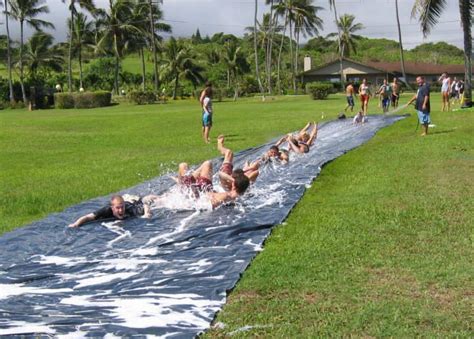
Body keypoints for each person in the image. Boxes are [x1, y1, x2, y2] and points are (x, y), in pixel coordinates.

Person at [68, 194, 152, 228]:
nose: (121, 210)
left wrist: (147, 214)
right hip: (125, 199)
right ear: (112, 208)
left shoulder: (129, 209)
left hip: (132, 200)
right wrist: (76, 224)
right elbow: (87, 217)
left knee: (147, 199)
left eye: (122, 207)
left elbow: (145, 205)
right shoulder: (106, 210)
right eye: (118, 208)